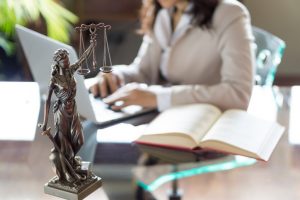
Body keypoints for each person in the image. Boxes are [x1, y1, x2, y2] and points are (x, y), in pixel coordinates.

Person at [90, 0, 255, 112]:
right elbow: (144, 72)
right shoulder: (163, 11)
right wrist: (116, 76)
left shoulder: (230, 13)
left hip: (204, 126)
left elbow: (238, 94)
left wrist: (159, 97)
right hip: (162, 119)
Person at [40, 37, 96, 183]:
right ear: (58, 63)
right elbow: (47, 100)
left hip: (73, 109)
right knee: (65, 144)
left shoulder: (71, 71)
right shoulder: (55, 80)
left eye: (67, 59)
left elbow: (82, 59)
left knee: (80, 140)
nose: (67, 62)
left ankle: (69, 161)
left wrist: (91, 45)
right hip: (62, 111)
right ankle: (66, 169)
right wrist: (45, 123)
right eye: (64, 60)